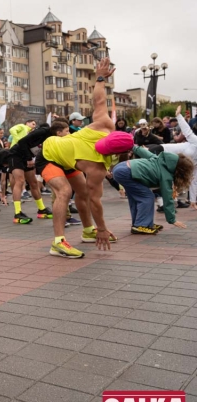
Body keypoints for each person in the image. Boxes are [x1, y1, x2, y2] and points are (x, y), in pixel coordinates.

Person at [40, 57, 117, 258]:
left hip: (68, 159)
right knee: (64, 191)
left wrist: (100, 78)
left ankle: (88, 230)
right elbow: (97, 201)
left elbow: (99, 99)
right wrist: (103, 228)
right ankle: (58, 242)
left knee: (82, 192)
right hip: (49, 154)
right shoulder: (97, 167)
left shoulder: (105, 124)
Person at [113, 145, 192, 233]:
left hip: (121, 167)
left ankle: (141, 224)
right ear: (180, 170)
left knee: (136, 198)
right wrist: (172, 220)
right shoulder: (166, 177)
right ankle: (141, 225)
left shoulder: (158, 159)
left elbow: (144, 152)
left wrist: (132, 146)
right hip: (126, 172)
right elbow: (167, 199)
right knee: (148, 197)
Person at [1, 122, 61, 224]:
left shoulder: (54, 138)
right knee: (20, 181)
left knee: (33, 182)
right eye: (67, 131)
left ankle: (41, 209)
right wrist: (29, 158)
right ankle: (17, 213)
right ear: (59, 131)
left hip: (27, 157)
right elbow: (22, 141)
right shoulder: (43, 132)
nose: (68, 134)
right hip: (15, 155)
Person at [163, 106, 197, 208]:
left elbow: (194, 179)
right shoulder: (196, 141)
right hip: (162, 151)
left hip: (168, 163)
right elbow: (187, 131)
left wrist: (193, 200)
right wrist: (179, 115)